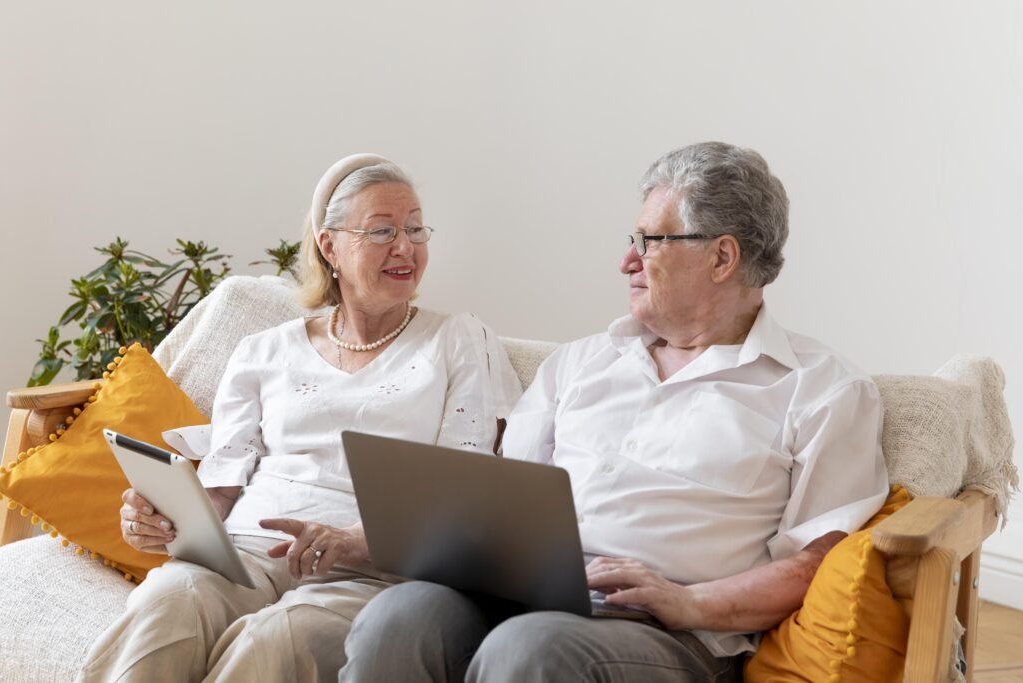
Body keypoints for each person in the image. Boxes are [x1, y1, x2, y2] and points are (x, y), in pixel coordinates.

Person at [339, 142, 890, 682]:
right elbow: (507, 495)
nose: (627, 260)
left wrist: (689, 602)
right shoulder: (580, 362)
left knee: (528, 650)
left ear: (722, 257)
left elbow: (819, 562)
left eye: (649, 241)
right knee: (397, 618)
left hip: (665, 632)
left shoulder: (820, 389)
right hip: (521, 593)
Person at [77, 154, 522, 682]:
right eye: (382, 231)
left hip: (370, 570)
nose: (405, 247)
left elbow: (464, 485)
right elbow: (221, 485)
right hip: (245, 553)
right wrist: (164, 520)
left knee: (276, 638)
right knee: (169, 600)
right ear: (329, 246)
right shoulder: (263, 350)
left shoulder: (459, 340)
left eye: (415, 228)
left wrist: (359, 538)